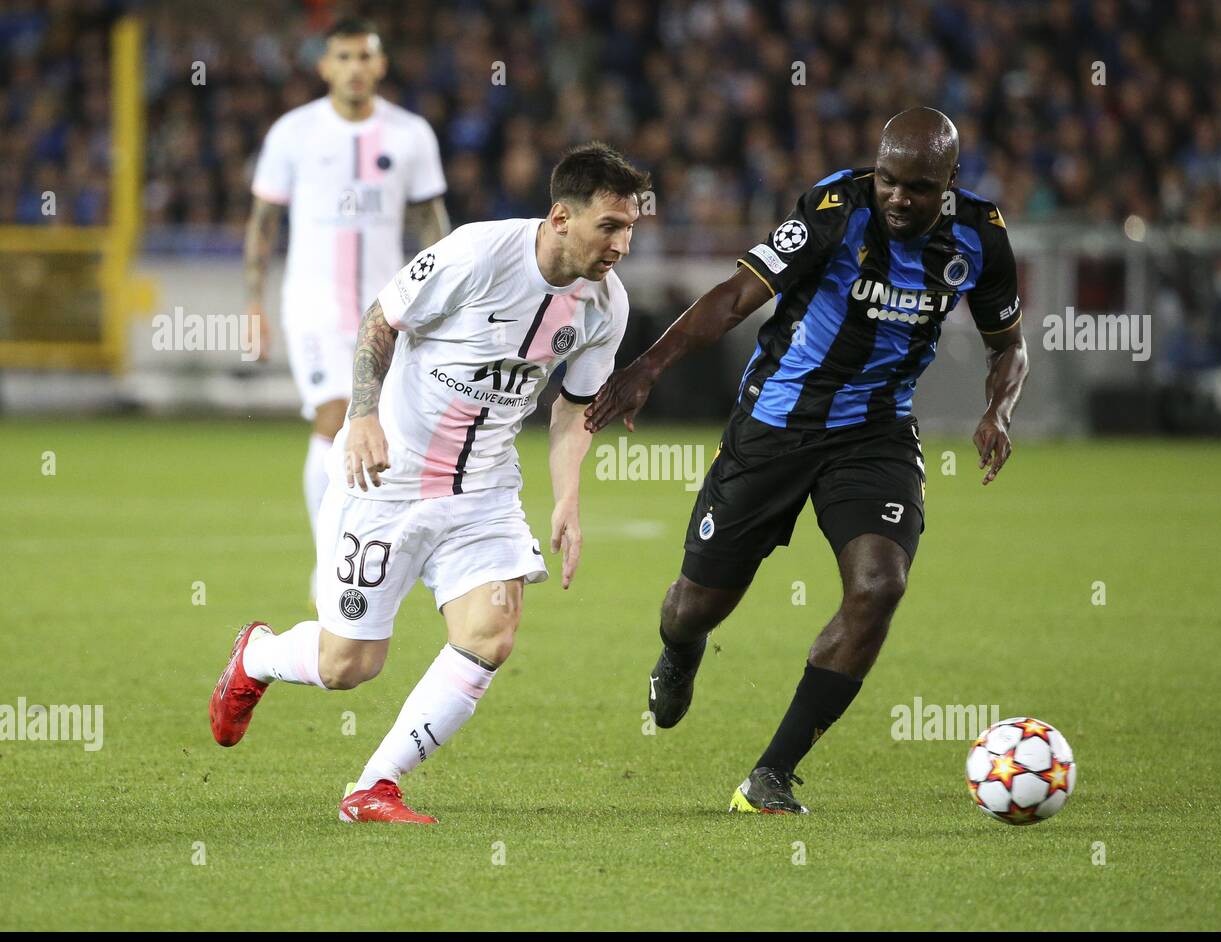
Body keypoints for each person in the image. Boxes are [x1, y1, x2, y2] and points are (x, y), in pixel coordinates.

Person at [587, 108, 1029, 814]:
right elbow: (737, 295)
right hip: (776, 424)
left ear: (948, 182)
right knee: (692, 605)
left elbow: (1008, 342)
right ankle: (680, 649)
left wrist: (997, 410)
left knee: (880, 585)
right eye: (888, 178)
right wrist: (648, 365)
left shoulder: (980, 235)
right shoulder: (834, 209)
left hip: (875, 434)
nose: (898, 197)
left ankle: (772, 773)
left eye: (917, 186)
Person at [212, 143, 647, 824]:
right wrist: (361, 416)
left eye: (630, 229)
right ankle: (258, 656)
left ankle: (374, 785)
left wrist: (568, 496)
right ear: (562, 217)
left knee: (491, 633)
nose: (622, 243)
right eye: (610, 227)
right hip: (389, 477)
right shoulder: (476, 254)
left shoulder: (606, 306)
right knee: (348, 664)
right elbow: (382, 319)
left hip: (484, 491)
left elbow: (572, 409)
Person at [245, 16, 450, 601]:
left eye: (365, 56)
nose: (355, 68)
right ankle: (328, 557)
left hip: (388, 307)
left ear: (380, 65)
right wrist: (253, 305)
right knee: (335, 417)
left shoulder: (410, 134)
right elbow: (262, 224)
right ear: (324, 66)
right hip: (312, 303)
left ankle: (375, 544)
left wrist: (448, 298)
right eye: (344, 57)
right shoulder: (294, 132)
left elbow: (432, 226)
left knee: (387, 429)